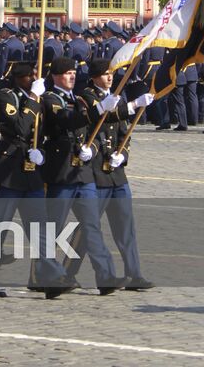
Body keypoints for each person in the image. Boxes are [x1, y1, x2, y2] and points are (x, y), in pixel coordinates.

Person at [0, 61, 68, 299]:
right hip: (8, 169)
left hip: (32, 170)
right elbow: (20, 128)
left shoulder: (41, 98)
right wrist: (33, 98)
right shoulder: (7, 96)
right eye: (32, 76)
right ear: (21, 78)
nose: (36, 79)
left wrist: (43, 153)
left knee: (40, 229)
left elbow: (47, 131)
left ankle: (51, 277)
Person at [41, 56, 125, 295]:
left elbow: (92, 132)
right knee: (53, 228)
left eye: (73, 72)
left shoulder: (77, 99)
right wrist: (99, 109)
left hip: (83, 173)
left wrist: (92, 150)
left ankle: (106, 277)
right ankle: (51, 278)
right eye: (67, 73)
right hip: (61, 172)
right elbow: (66, 121)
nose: (72, 76)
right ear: (56, 76)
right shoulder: (50, 99)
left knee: (92, 226)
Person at [81, 59, 153, 290]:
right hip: (96, 171)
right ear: (93, 77)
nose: (109, 77)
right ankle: (67, 272)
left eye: (111, 73)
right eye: (104, 74)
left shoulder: (118, 97)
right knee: (88, 230)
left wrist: (123, 155)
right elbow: (101, 118)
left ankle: (134, 274)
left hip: (116, 173)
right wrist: (132, 105)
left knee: (125, 228)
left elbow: (124, 132)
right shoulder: (87, 96)